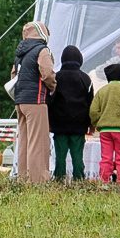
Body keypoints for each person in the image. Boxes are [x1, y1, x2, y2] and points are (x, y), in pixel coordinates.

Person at [11, 22, 57, 183]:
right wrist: (53, 87)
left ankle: (23, 177)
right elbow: (47, 74)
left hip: (20, 100)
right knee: (38, 142)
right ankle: (37, 180)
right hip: (36, 100)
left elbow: (13, 76)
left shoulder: (20, 53)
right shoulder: (42, 50)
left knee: (24, 140)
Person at [49, 46, 93, 181]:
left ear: (62, 59)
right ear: (80, 59)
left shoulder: (56, 77)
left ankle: (59, 178)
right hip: (79, 124)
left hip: (59, 124)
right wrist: (91, 124)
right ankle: (79, 178)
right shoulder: (86, 78)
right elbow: (91, 102)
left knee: (60, 155)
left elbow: (50, 101)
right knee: (77, 155)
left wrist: (50, 122)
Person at [90, 63, 120, 184]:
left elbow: (93, 111)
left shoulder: (102, 91)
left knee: (106, 157)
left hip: (105, 130)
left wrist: (97, 123)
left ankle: (104, 181)